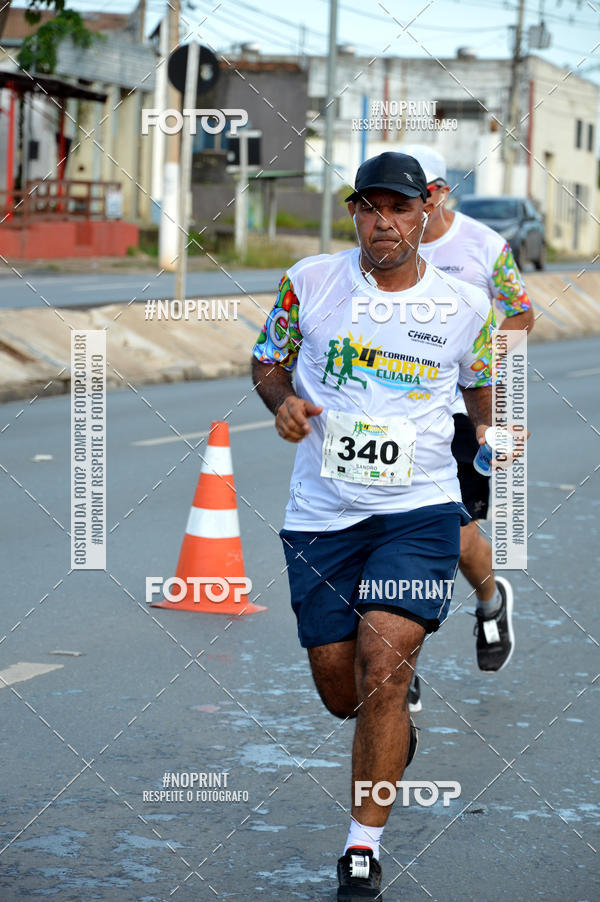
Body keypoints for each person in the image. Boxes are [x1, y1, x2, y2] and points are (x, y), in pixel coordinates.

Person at [251, 151, 504, 899]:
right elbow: (269, 361)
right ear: (354, 213)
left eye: (398, 207)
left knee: (385, 663)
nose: (383, 222)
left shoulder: (465, 306)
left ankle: (362, 847)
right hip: (323, 513)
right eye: (369, 207)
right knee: (343, 690)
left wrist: (484, 440)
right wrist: (283, 403)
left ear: (425, 211)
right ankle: (389, 734)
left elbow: (480, 382)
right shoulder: (308, 282)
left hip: (417, 510)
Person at [400, 146, 534, 712]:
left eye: (418, 196)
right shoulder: (380, 244)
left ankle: (489, 600)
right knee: (386, 534)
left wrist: (482, 370)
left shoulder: (484, 246)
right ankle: (397, 661)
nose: (404, 209)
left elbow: (521, 311)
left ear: (440, 193)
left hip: (462, 414)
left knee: (451, 538)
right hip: (393, 413)